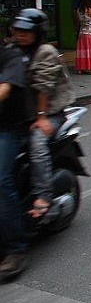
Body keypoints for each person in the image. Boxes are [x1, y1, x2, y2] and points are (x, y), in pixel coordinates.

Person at [11, 9, 75, 222]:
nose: (21, 35)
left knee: (37, 144)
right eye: (18, 30)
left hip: (50, 113)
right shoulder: (14, 51)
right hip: (22, 116)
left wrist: (41, 117)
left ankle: (43, 196)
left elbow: (44, 87)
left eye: (26, 31)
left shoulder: (45, 51)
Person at [0, 41, 31, 281]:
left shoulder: (11, 57)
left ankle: (17, 247)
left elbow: (4, 89)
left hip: (9, 129)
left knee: (1, 180)